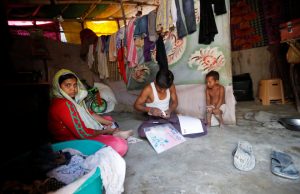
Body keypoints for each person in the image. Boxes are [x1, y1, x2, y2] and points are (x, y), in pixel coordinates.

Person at [48, 69, 132, 156]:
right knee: (120, 146)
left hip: (78, 133)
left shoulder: (71, 99)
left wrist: (109, 123)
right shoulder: (63, 104)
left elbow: (89, 113)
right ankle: (112, 134)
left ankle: (111, 133)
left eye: (75, 85)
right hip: (69, 143)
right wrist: (105, 131)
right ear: (59, 87)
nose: (73, 89)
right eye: (67, 85)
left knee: (107, 119)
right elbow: (83, 134)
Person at [134, 70, 179, 138]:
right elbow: (136, 105)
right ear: (155, 81)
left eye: (165, 89)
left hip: (167, 116)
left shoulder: (171, 86)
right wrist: (151, 110)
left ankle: (164, 129)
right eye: (160, 88)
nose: (163, 91)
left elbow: (175, 102)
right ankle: (167, 129)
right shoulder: (148, 89)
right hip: (153, 118)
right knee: (142, 131)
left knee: (187, 124)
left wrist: (169, 110)